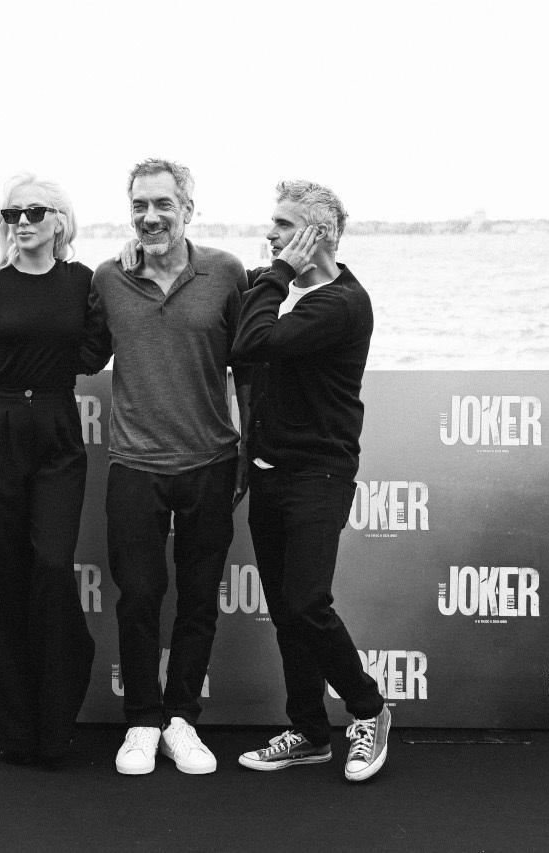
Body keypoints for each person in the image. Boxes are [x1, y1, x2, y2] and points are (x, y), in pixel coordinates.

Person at [0, 159, 249, 776]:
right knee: (138, 597)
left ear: (188, 208)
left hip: (210, 459)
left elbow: (251, 363)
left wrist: (249, 445)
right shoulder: (108, 278)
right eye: (138, 206)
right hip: (134, 464)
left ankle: (182, 720)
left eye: (162, 204)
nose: (149, 217)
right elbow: (75, 351)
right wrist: (2, 363)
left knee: (200, 598)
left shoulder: (227, 274)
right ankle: (142, 722)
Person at [230, 180, 391, 783]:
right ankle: (307, 729)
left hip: (317, 476)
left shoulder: (341, 303)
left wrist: (274, 274)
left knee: (306, 602)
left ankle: (369, 711)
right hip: (271, 474)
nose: (268, 235)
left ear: (313, 236)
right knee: (285, 610)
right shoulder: (285, 291)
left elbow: (252, 342)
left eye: (280, 225)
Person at [0, 174, 96, 769]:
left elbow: (100, 341)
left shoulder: (85, 283)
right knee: (1, 579)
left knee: (53, 568)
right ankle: (17, 731)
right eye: (12, 213)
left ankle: (55, 723)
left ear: (60, 219)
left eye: (34, 211)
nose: (22, 221)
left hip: (58, 428)